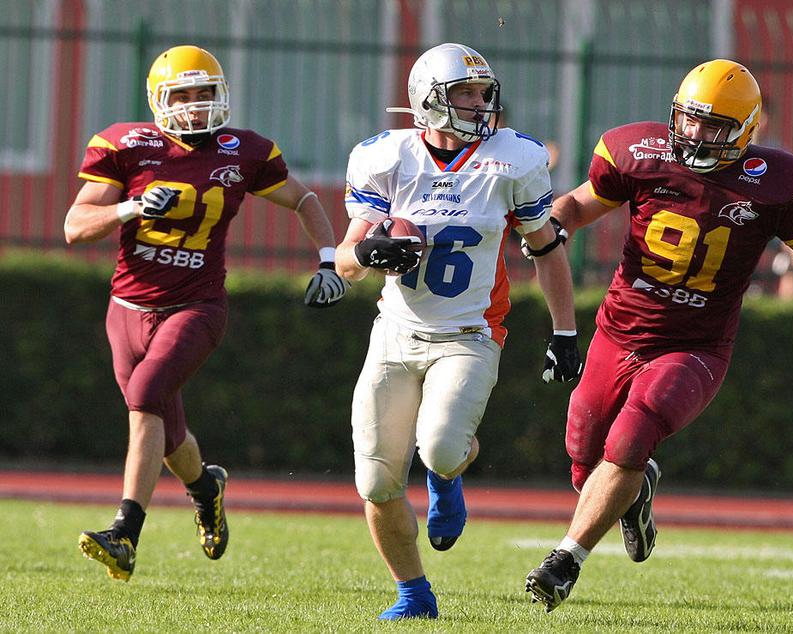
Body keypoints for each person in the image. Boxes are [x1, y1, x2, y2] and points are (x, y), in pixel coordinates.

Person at [524, 58, 793, 611]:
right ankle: (635, 493)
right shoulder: (639, 153)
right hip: (618, 333)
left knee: (630, 440)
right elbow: (576, 204)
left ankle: (565, 560)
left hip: (694, 347)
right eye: (689, 119)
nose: (694, 133)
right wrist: (554, 224)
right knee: (583, 454)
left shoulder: (776, 185)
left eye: (713, 125)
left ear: (745, 131)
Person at [64, 45, 348, 581]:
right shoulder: (127, 145)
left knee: (146, 396)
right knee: (166, 432)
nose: (195, 105)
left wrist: (329, 260)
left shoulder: (245, 151)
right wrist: (130, 206)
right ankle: (205, 487)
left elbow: (304, 199)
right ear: (159, 100)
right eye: (183, 95)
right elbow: (74, 227)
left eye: (205, 93)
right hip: (127, 308)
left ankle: (124, 533)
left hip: (196, 305)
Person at [334, 42, 583, 620]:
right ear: (427, 100)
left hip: (470, 332)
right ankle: (414, 594)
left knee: (442, 449)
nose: (478, 103)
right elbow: (345, 261)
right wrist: (367, 252)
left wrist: (565, 332)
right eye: (464, 93)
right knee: (376, 481)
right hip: (396, 332)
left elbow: (546, 247)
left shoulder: (512, 159)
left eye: (482, 91)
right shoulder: (386, 158)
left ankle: (446, 478)